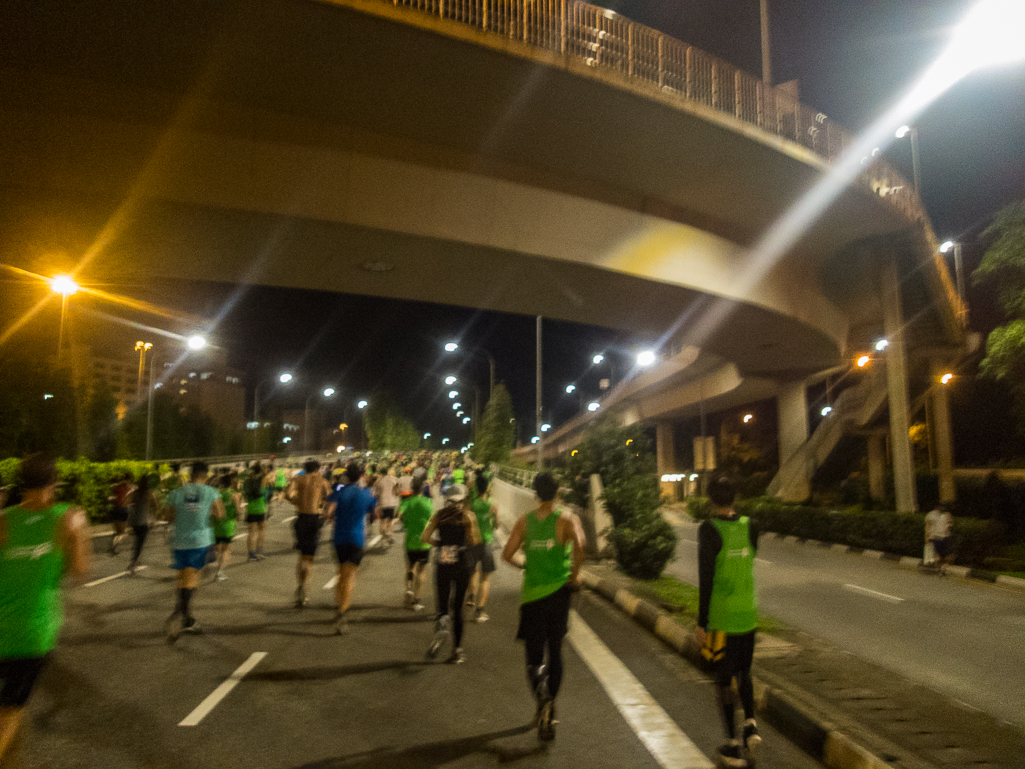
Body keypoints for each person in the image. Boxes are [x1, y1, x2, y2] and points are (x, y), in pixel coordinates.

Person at [0, 454, 90, 765]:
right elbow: (79, 571)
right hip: (33, 631)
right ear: (53, 483)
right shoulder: (68, 517)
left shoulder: (3, 518)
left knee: (11, 709)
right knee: (11, 710)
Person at [502, 472, 585, 742]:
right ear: (558, 492)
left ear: (535, 494)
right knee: (556, 651)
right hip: (560, 594)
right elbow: (581, 546)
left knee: (534, 657)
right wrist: (574, 574)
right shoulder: (566, 519)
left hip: (533, 598)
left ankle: (542, 694)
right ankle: (550, 701)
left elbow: (507, 554)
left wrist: (525, 564)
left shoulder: (524, 522)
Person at [696, 475, 761, 768]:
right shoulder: (752, 526)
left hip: (722, 620)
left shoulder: (709, 530)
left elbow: (706, 579)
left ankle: (733, 745)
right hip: (748, 615)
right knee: (744, 672)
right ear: (735, 498)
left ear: (710, 500)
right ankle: (750, 724)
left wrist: (702, 622)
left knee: (723, 679)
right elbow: (750, 558)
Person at [162, 461, 224, 642]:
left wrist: (185, 515)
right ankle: (178, 613)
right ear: (205, 475)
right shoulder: (210, 492)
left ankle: (187, 617)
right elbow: (220, 513)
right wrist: (206, 512)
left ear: (190, 475)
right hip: (199, 541)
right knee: (193, 579)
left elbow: (169, 517)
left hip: (179, 541)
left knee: (182, 579)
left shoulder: (176, 493)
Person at [422, 484, 480, 664]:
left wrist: (439, 544)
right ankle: (457, 651)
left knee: (443, 604)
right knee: (458, 607)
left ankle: (442, 622)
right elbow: (474, 539)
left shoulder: (439, 515)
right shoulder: (467, 516)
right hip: (462, 561)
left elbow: (425, 537)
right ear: (463, 499)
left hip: (444, 557)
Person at [325, 463, 376, 634]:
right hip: (356, 538)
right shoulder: (366, 493)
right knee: (349, 576)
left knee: (340, 575)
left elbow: (329, 513)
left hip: (339, 538)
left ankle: (338, 606)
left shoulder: (339, 492)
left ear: (346, 476)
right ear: (360, 476)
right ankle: (342, 613)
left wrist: (334, 516)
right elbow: (374, 514)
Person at [286, 460, 332, 607]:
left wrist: (295, 501)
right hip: (314, 519)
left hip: (301, 518)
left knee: (302, 556)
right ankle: (305, 587)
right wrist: (324, 511)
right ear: (318, 469)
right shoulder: (322, 481)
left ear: (304, 469)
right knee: (310, 558)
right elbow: (329, 498)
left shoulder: (298, 479)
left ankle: (300, 585)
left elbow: (287, 493)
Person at [398, 475, 435, 611]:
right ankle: (416, 601)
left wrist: (407, 522)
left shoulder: (407, 502)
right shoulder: (429, 502)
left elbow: (399, 515)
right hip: (424, 541)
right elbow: (433, 519)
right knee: (421, 570)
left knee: (409, 566)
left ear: (412, 489)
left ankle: (408, 588)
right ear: (423, 489)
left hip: (410, 540)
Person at [466, 472, 498, 622]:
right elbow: (496, 525)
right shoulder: (491, 504)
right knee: (485, 578)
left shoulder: (471, 504)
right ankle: (480, 611)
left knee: (472, 571)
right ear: (488, 487)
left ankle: (471, 595)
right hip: (486, 542)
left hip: (472, 542)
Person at [127, 472, 158, 575]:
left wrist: (133, 507)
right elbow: (155, 504)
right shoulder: (148, 493)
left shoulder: (135, 492)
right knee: (140, 544)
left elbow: (127, 501)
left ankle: (134, 560)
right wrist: (153, 513)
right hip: (143, 522)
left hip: (135, 521)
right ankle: (133, 562)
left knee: (137, 542)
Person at [213, 474, 243, 582]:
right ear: (231, 483)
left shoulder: (216, 494)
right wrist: (238, 517)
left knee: (219, 547)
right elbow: (238, 510)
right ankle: (220, 571)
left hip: (217, 523)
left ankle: (218, 568)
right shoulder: (234, 495)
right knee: (226, 549)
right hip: (229, 524)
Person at [244, 462, 268, 561]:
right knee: (261, 530)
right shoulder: (264, 479)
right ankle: (259, 552)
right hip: (260, 507)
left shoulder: (248, 480)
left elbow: (245, 493)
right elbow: (267, 487)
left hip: (250, 508)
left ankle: (251, 554)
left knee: (250, 532)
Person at [925, 502, 954, 575]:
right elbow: (928, 526)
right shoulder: (932, 515)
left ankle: (942, 568)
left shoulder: (946, 515)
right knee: (940, 556)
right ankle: (940, 569)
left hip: (942, 537)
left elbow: (950, 525)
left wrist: (927, 538)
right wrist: (927, 538)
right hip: (938, 538)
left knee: (946, 556)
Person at [373, 466, 400, 544]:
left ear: (381, 472)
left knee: (382, 521)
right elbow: (397, 485)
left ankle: (383, 536)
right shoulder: (392, 479)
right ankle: (390, 534)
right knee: (390, 520)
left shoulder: (378, 481)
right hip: (391, 503)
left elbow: (375, 493)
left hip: (382, 503)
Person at [109, 473, 133, 555]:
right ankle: (115, 547)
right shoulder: (129, 488)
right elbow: (129, 499)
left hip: (115, 509)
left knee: (117, 532)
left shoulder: (116, 487)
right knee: (121, 533)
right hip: (123, 510)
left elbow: (112, 493)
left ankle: (113, 546)